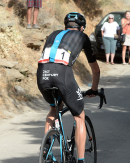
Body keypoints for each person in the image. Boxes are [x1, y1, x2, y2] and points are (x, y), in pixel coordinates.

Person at [37, 12, 100, 163]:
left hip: (42, 74)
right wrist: (94, 89)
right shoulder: (83, 37)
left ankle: (47, 150)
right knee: (79, 116)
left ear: (66, 26)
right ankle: (81, 160)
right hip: (62, 74)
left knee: (54, 109)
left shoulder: (53, 34)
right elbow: (96, 70)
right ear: (82, 27)